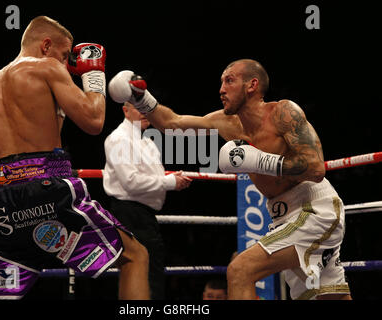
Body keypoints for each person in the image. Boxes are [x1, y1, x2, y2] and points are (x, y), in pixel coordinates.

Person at [107, 60, 352, 300]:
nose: (221, 89)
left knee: (240, 270)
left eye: (229, 81)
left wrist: (259, 160)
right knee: (327, 297)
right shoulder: (225, 122)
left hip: (313, 209)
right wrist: (142, 98)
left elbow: (316, 167)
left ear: (252, 85)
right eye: (221, 82)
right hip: (283, 216)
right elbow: (173, 123)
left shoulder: (283, 112)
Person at [0, 16, 149, 300]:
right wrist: (93, 76)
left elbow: (33, 130)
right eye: (64, 55)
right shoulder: (47, 66)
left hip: (1, 202)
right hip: (49, 192)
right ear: (46, 45)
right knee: (136, 256)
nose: (66, 64)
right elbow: (94, 120)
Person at [102, 101, 192, 299]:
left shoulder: (147, 141)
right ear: (125, 110)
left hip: (144, 216)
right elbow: (131, 182)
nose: (144, 113)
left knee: (150, 274)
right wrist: (169, 182)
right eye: (137, 108)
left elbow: (152, 177)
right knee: (145, 275)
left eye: (146, 108)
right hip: (130, 215)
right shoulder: (118, 139)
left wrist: (171, 180)